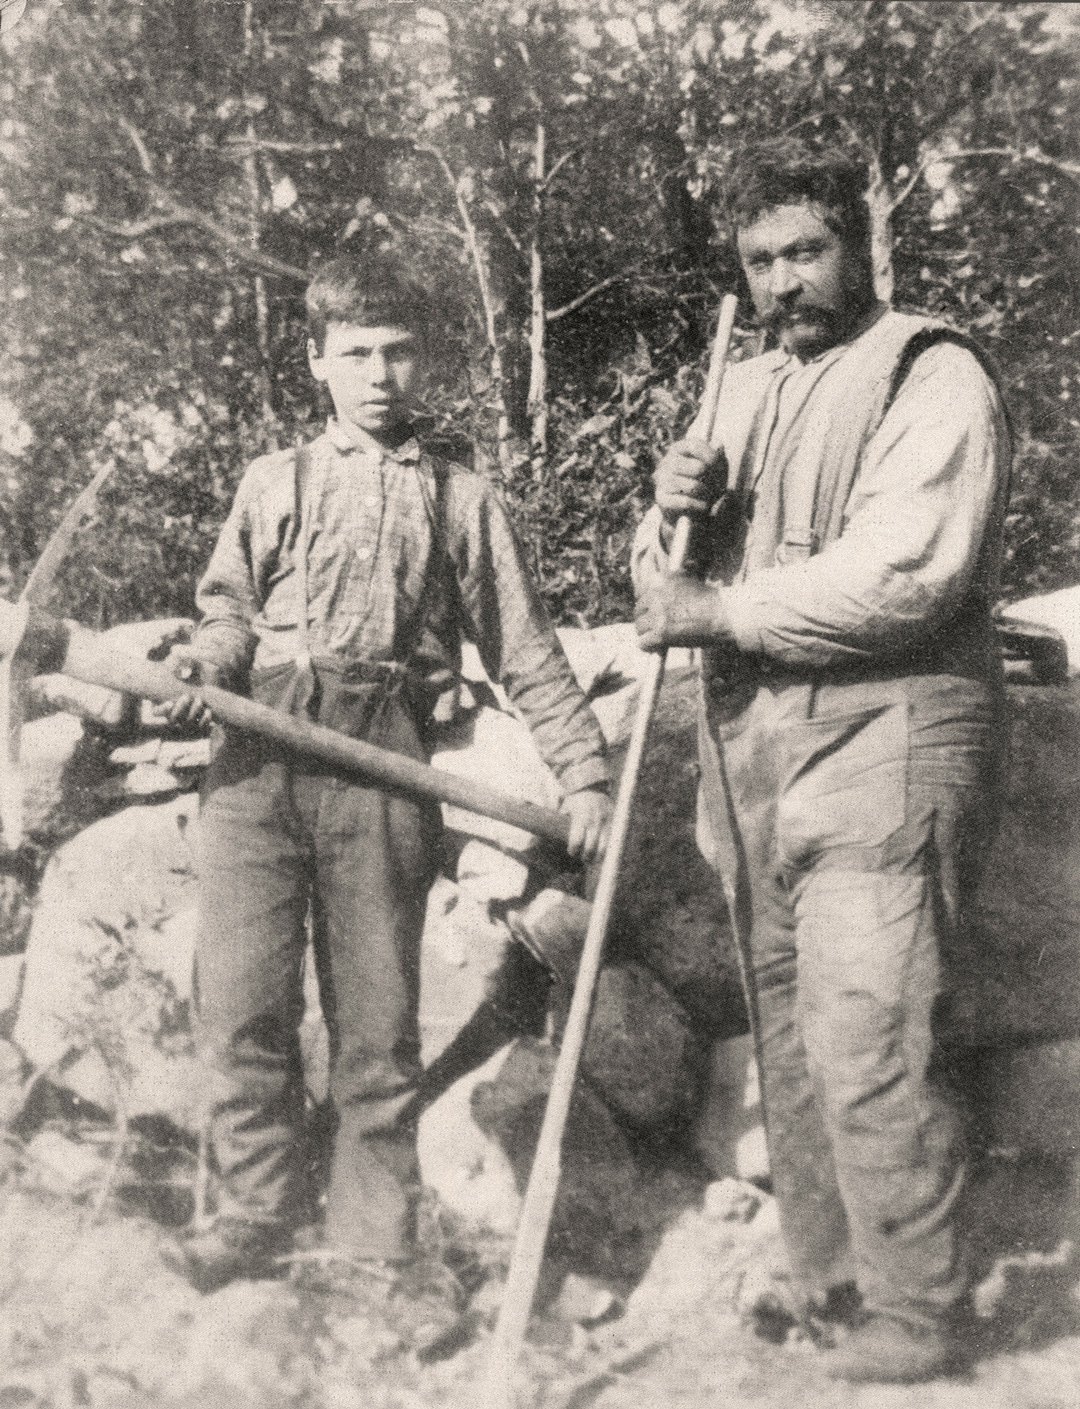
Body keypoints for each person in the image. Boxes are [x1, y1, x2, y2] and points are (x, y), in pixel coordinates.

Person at [162, 252, 612, 1330]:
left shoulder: (462, 499)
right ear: (318, 362)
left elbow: (528, 649)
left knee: (377, 1018)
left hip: (382, 756)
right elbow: (226, 609)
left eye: (398, 350)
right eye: (355, 352)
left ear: (428, 362)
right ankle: (254, 1212)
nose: (378, 374)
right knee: (242, 1000)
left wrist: (588, 770)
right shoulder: (275, 480)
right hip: (260, 753)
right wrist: (210, 669)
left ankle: (374, 1242)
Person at [633, 141, 1010, 1384]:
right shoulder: (736, 392)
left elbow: (908, 571)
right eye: (760, 262)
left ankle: (920, 1305)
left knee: (867, 1021)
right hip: (754, 750)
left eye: (808, 252)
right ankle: (830, 1274)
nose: (786, 282)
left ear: (862, 248)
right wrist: (668, 505)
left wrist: (718, 611)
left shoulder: (930, 369)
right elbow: (660, 588)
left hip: (886, 728)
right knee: (788, 1025)